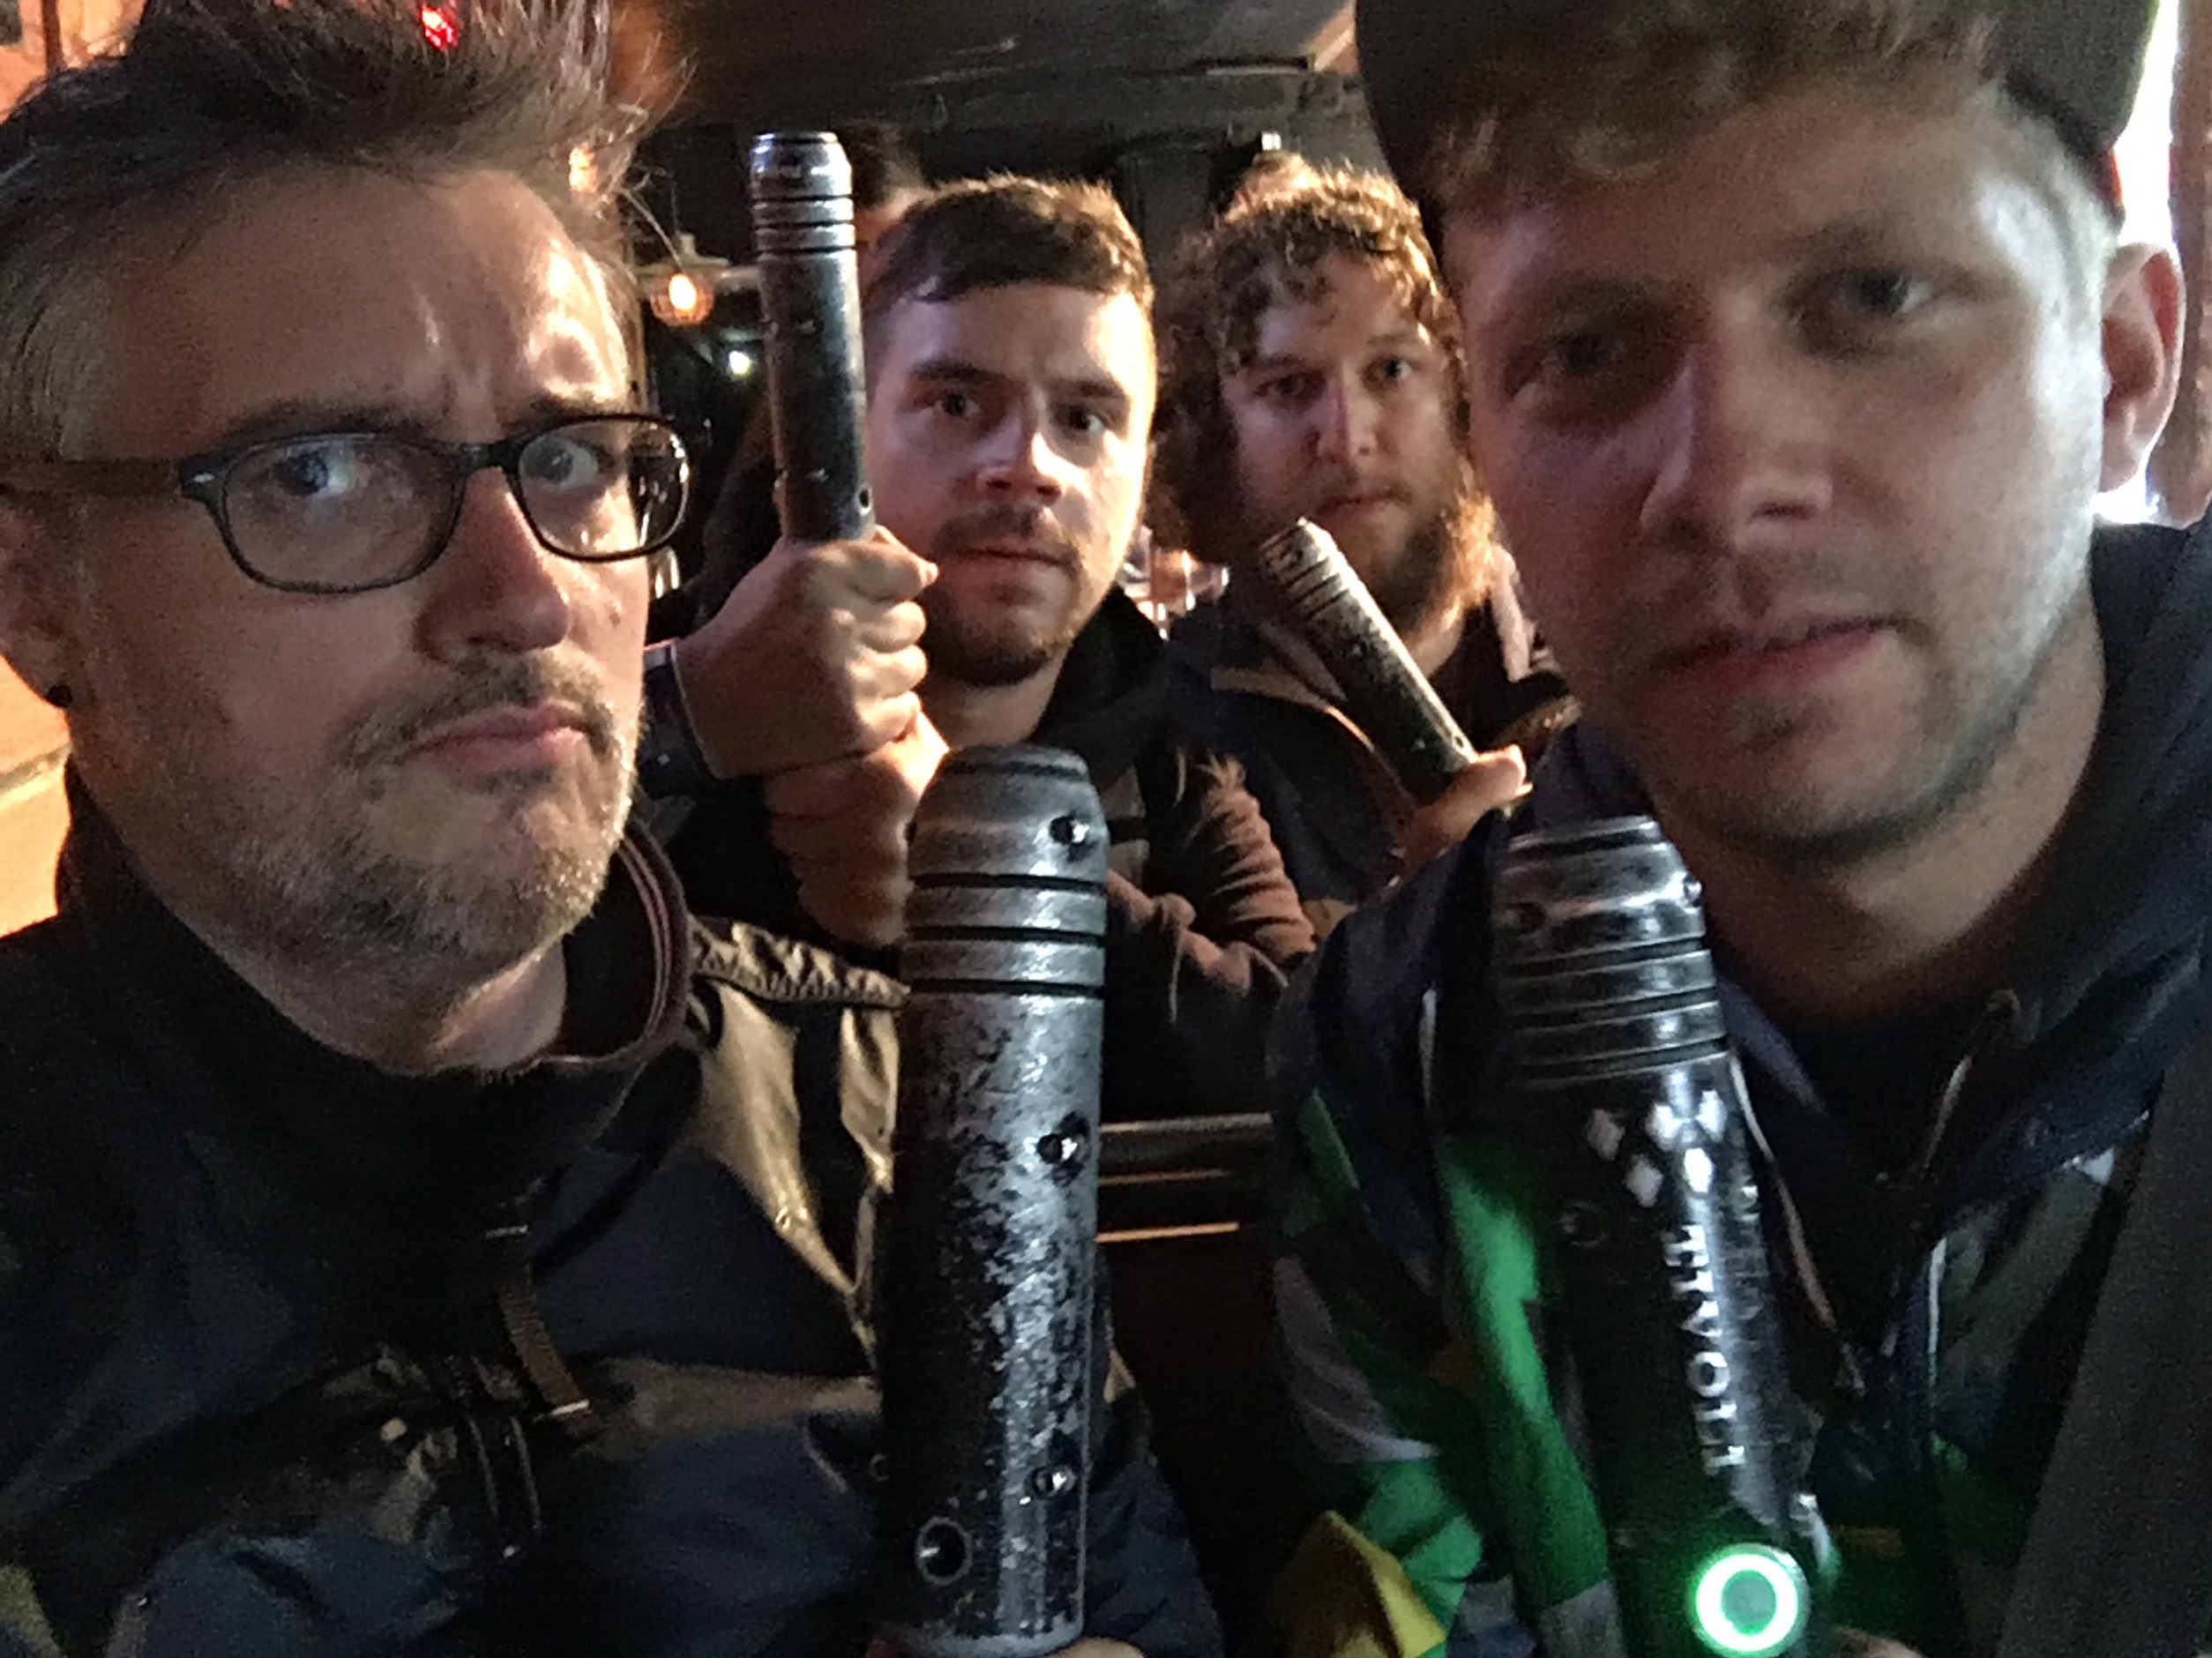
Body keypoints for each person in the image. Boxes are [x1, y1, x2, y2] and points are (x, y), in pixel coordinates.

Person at [0, 3, 1220, 1653]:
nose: (521, 597)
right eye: (319, 475)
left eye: (569, 460)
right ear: (34, 590)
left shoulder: (896, 1129)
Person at [1270, 0, 2192, 1653]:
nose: (1718, 479)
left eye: (1871, 299)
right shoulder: (1406, 1060)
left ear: (2122, 365)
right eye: (1585, 352)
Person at [666, 176, 1316, 1121]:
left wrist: (990, 877)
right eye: (958, 403)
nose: (1029, 466)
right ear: (848, 428)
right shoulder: (660, 707)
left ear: (1141, 472)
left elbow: (1302, 1064)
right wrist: (696, 716)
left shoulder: (1172, 756)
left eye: (1084, 419)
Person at [1155, 158, 1570, 934]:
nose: (1347, 438)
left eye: (1390, 370)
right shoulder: (1163, 742)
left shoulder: (1604, 672)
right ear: (1210, 436)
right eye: (1287, 386)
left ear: (1464, 388)